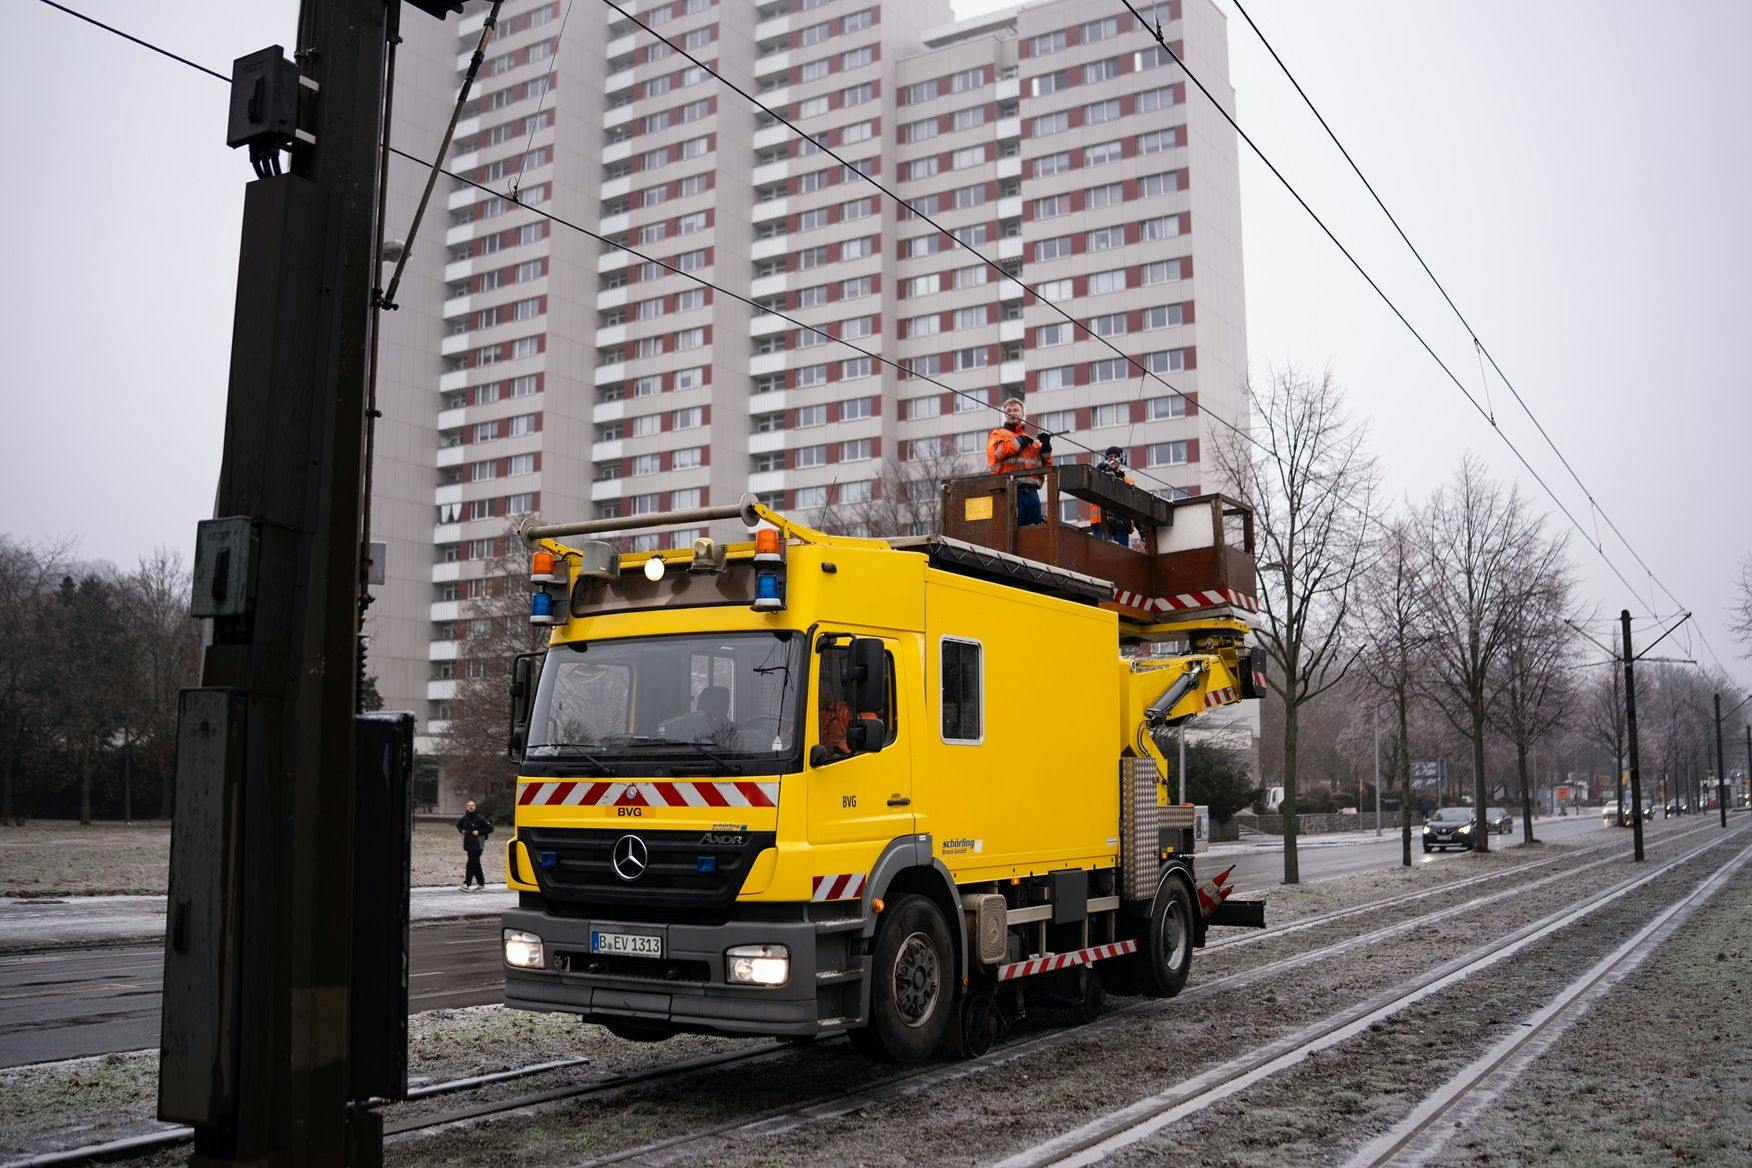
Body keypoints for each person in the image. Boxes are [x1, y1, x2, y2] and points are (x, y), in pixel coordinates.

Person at [985, 396, 1052, 525]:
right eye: (1008, 411)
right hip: (1011, 492)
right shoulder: (998, 434)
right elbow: (998, 453)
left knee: (1033, 533)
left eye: (1016, 410)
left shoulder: (1030, 441)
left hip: (1032, 494)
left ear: (1022, 414)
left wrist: (1046, 448)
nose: (1012, 413)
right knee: (1013, 532)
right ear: (1004, 415)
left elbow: (1045, 464)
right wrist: (1019, 441)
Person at [1087, 445, 1135, 544]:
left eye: (1115, 457)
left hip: (1121, 527)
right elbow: (1089, 484)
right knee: (1100, 555)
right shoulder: (1100, 475)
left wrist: (1140, 528)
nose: (1112, 459)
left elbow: (1134, 505)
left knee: (1122, 557)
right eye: (1110, 457)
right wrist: (1098, 471)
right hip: (1102, 525)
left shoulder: (1128, 481)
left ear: (1120, 460)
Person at [456, 800, 493, 891]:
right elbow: (458, 825)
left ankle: (466, 884)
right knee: (476, 863)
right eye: (469, 805)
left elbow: (490, 828)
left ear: (475, 807)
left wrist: (479, 832)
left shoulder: (480, 818)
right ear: (466, 807)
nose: (471, 807)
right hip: (468, 844)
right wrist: (462, 831)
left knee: (471, 863)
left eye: (473, 805)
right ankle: (481, 884)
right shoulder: (465, 818)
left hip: (478, 844)